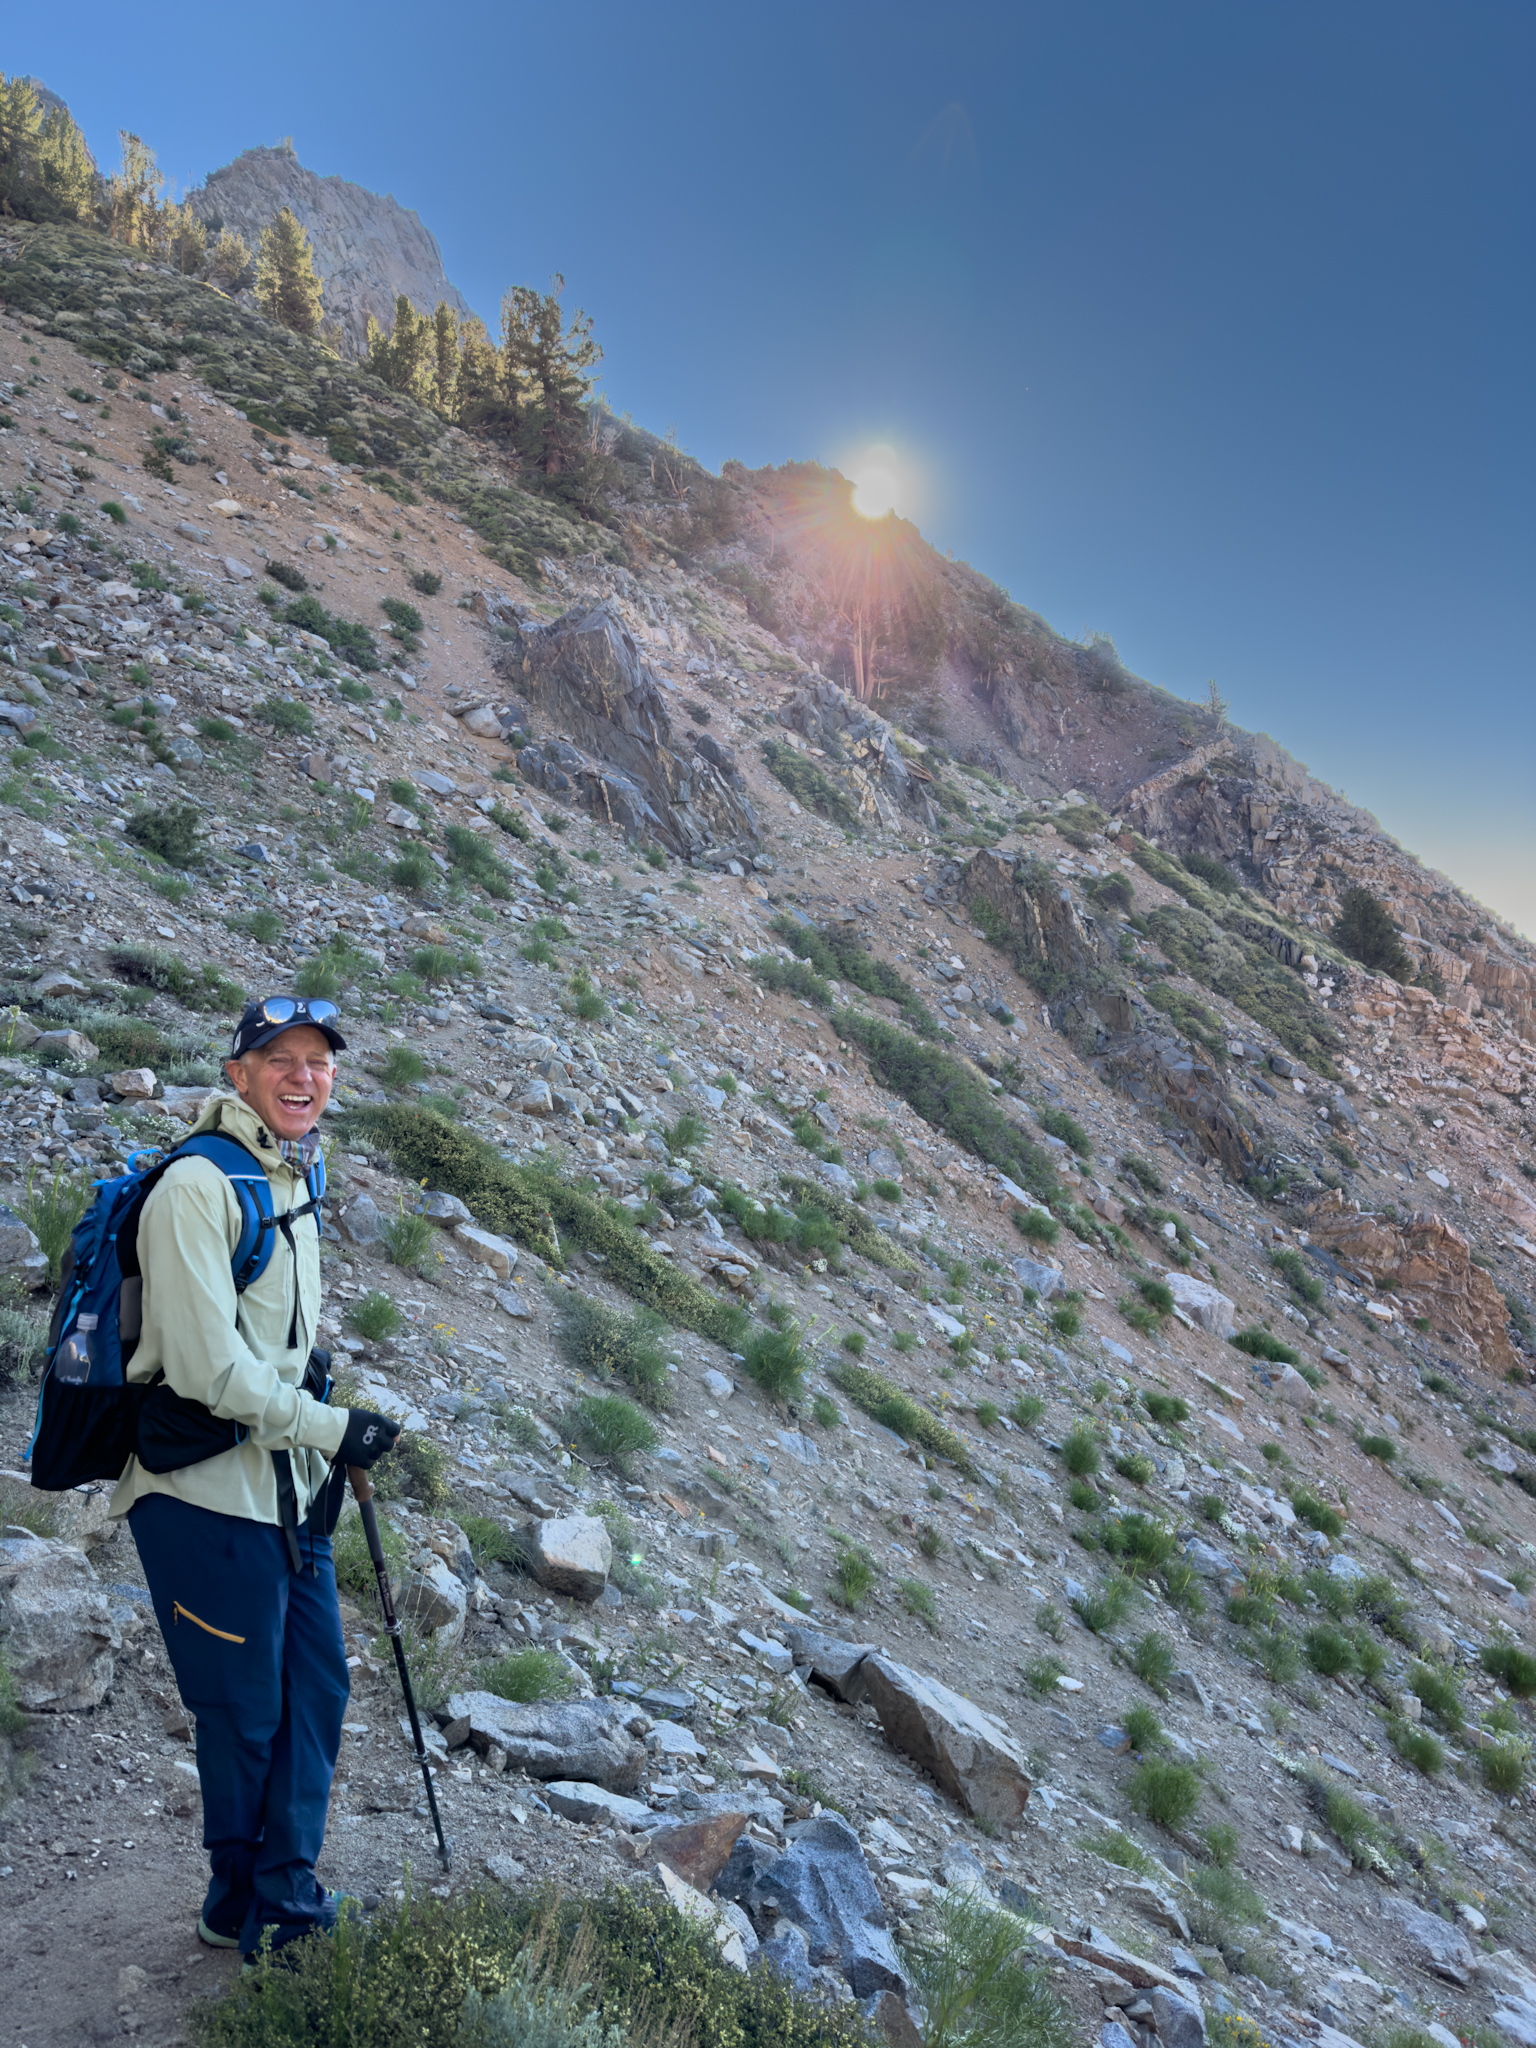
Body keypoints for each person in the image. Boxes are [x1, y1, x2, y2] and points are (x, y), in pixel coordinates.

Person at [107, 996, 402, 1962]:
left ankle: (285, 1894)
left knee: (315, 1693)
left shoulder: (295, 1176)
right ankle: (242, 1904)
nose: (302, 1076)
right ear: (237, 1074)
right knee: (245, 1712)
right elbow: (206, 1370)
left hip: (284, 1492)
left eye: (318, 1061)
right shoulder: (199, 1185)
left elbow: (278, 1351)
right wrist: (332, 1426)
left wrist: (321, 1439)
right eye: (280, 1057)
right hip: (199, 1496)